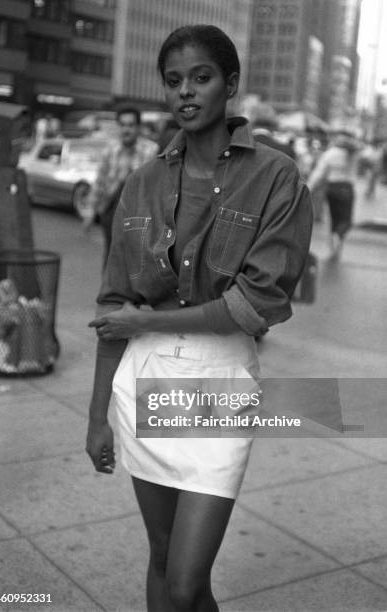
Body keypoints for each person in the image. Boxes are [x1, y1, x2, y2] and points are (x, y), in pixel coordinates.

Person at [86, 25, 313, 612]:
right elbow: (114, 305)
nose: (185, 92)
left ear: (230, 85)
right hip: (145, 379)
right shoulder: (141, 184)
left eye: (201, 77)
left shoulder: (275, 177)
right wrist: (96, 418)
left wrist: (144, 323)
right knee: (163, 560)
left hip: (221, 382)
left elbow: (254, 304)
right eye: (174, 81)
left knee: (186, 580)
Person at [85, 107, 158, 267]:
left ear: (138, 127)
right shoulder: (110, 150)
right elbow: (100, 181)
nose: (127, 130)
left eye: (131, 125)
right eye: (123, 125)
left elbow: (156, 189)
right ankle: (109, 290)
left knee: (133, 262)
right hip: (111, 212)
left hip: (138, 216)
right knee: (111, 258)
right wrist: (90, 210)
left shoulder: (150, 151)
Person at [307, 132, 357, 258]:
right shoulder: (353, 154)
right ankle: (338, 236)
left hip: (332, 187)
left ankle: (334, 246)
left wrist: (308, 188)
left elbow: (318, 173)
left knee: (334, 218)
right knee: (346, 220)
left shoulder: (330, 154)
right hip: (346, 187)